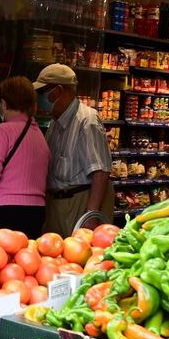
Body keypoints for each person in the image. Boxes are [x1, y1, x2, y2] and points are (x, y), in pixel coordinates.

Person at [34, 64, 114, 237]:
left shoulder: (87, 120)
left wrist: (91, 216)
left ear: (59, 91)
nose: (40, 98)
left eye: (43, 92)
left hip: (79, 202)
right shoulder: (55, 122)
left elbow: (100, 171)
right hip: (57, 204)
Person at [0, 76, 50, 238]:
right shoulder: (39, 134)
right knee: (26, 261)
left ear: (4, 104)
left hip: (3, 210)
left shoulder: (3, 130)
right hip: (36, 211)